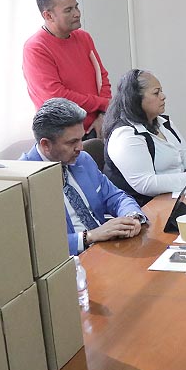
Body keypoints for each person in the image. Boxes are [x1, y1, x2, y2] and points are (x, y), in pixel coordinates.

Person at [20, 98, 145, 256]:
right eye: (72, 142)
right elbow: (34, 246)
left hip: (106, 249)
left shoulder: (83, 160)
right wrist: (89, 237)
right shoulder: (23, 181)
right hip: (71, 261)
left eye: (81, 139)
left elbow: (116, 197)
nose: (80, 147)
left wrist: (132, 217)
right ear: (46, 145)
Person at [103, 70, 186, 205]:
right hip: (146, 206)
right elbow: (145, 184)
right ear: (136, 98)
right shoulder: (125, 135)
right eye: (156, 93)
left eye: (161, 91)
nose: (163, 96)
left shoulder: (163, 122)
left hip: (175, 196)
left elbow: (184, 153)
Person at [22, 0, 111, 139]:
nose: (77, 13)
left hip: (98, 125)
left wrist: (103, 114)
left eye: (76, 7)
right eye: (68, 10)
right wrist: (104, 104)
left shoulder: (83, 37)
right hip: (65, 137)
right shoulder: (35, 47)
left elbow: (102, 77)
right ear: (48, 16)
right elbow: (57, 97)